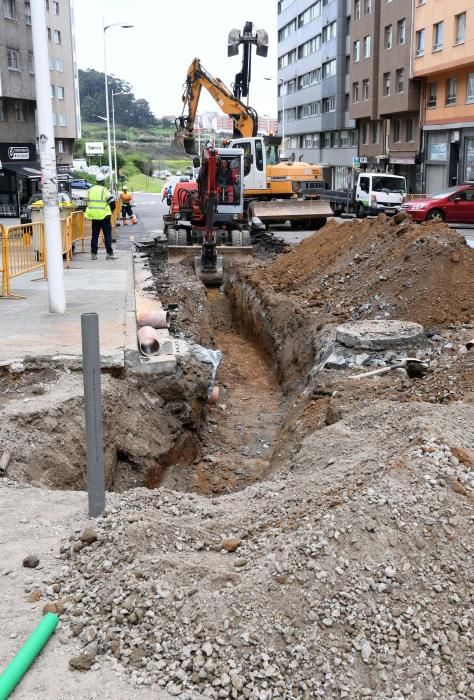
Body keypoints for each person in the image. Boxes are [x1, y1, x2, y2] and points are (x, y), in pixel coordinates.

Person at [84, 172, 117, 260]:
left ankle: (94, 254)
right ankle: (109, 254)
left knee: (94, 235)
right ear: (103, 182)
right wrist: (111, 211)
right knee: (107, 235)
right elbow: (112, 203)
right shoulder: (104, 190)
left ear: (96, 181)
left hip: (94, 217)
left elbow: (87, 202)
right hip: (105, 217)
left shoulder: (90, 190)